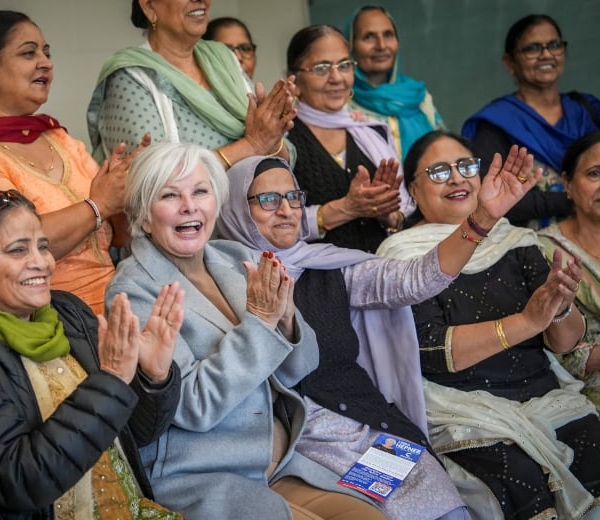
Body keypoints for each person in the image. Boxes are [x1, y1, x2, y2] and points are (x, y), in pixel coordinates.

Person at [217, 149, 542, 519]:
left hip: (364, 423)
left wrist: (482, 219)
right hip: (298, 439)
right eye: (268, 199)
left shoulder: (328, 268)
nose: (287, 209)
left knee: (441, 505)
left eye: (293, 197)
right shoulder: (218, 282)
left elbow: (416, 280)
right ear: (235, 210)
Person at [107, 142, 386, 520]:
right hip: (202, 474)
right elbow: (192, 405)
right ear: (142, 217)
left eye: (200, 192)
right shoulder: (133, 289)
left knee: (372, 515)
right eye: (170, 195)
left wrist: (285, 320)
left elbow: (299, 368)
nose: (190, 206)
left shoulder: (230, 258)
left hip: (278, 460)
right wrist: (258, 323)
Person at [0, 190, 184, 518]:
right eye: (18, 250)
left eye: (42, 246)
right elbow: (16, 481)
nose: (42, 262)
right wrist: (111, 381)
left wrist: (151, 379)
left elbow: (137, 434)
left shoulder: (69, 314)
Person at [377, 130, 600, 520]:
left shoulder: (515, 241)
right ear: (413, 189)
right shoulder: (401, 257)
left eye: (466, 167)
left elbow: (564, 345)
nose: (458, 178)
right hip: (460, 408)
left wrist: (560, 310)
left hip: (543, 396)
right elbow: (432, 351)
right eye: (439, 171)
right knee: (520, 478)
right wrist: (526, 320)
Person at [0, 10, 140, 314]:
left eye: (47, 52)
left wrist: (126, 191)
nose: (46, 62)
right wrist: (99, 205)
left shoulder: (58, 139)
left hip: (116, 299)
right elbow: (11, 248)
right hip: (42, 319)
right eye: (29, 53)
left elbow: (117, 234)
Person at [87, 0, 296, 169]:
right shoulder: (130, 77)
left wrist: (274, 130)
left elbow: (286, 154)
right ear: (149, 6)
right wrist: (253, 144)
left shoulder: (224, 58)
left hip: (255, 214)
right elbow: (153, 178)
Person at [462, 14, 600, 227]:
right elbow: (486, 196)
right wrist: (574, 200)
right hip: (531, 247)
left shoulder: (588, 110)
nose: (546, 54)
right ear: (509, 63)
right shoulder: (497, 122)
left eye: (554, 45)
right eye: (532, 48)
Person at [286, 24, 411, 253]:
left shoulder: (373, 131)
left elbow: (405, 214)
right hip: (318, 280)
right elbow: (273, 224)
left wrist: (388, 216)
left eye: (344, 65)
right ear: (293, 79)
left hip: (383, 273)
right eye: (322, 68)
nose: (336, 78)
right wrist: (346, 208)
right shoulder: (283, 140)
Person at [539, 130, 600, 409]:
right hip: (582, 390)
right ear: (568, 183)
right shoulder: (544, 250)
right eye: (595, 174)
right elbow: (562, 357)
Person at [344, 6, 444, 160]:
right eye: (369, 37)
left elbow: (444, 151)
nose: (381, 46)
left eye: (388, 35)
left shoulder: (418, 97)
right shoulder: (342, 104)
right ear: (351, 46)